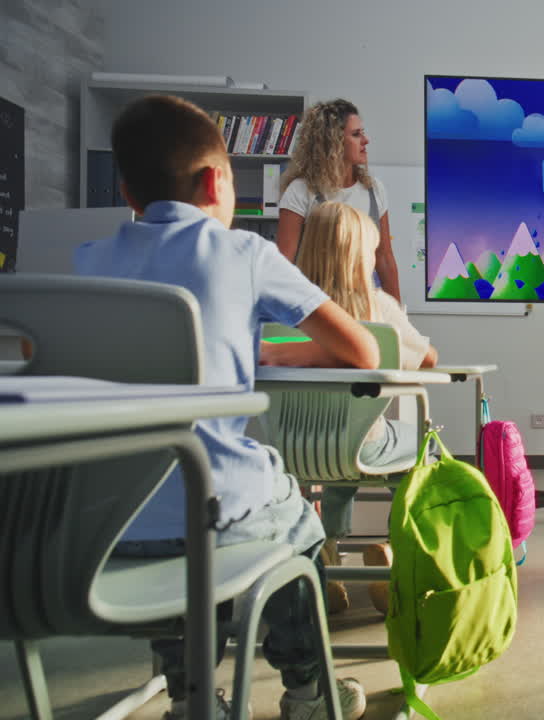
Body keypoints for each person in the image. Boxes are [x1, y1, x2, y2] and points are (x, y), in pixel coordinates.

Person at [75, 94, 372, 720]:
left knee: (180, 535)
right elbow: (362, 349)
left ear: (128, 194)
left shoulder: (88, 264)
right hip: (216, 506)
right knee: (294, 519)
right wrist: (277, 352)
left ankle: (190, 697)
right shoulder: (245, 254)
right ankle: (308, 691)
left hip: (110, 523)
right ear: (215, 182)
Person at [290, 200, 439, 614]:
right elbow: (429, 359)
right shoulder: (378, 308)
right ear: (361, 257)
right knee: (423, 448)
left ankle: (326, 552)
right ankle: (394, 548)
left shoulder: (286, 309)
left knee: (335, 463)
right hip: (364, 444)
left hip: (298, 448)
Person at [277, 98, 402, 302]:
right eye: (356, 134)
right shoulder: (300, 191)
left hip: (365, 306)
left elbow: (384, 258)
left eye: (362, 132)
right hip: (318, 306)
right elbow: (284, 264)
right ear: (332, 142)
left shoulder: (375, 190)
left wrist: (398, 313)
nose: (366, 140)